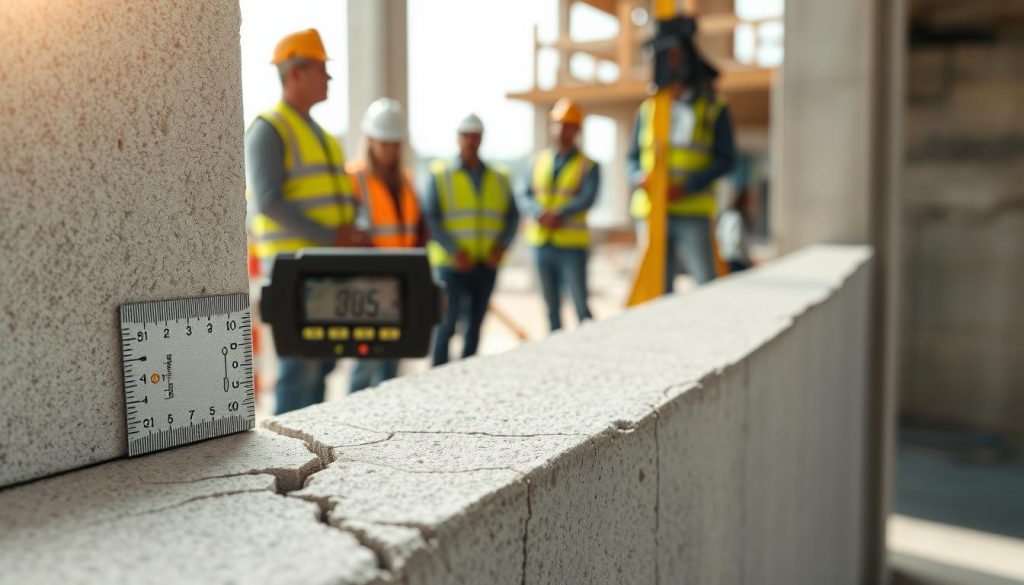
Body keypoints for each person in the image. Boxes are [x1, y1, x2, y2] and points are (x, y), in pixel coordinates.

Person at [245, 29, 367, 415]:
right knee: (298, 370)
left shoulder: (325, 138)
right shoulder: (270, 128)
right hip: (293, 273)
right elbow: (268, 201)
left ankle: (310, 448)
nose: (328, 78)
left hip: (326, 270)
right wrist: (332, 236)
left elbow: (344, 197)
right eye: (321, 69)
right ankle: (292, 455)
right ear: (295, 73)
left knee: (321, 367)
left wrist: (351, 230)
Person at [628, 16, 736, 292]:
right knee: (657, 288)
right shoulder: (649, 108)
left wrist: (687, 187)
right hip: (653, 210)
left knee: (705, 284)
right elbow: (632, 158)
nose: (670, 61)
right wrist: (638, 176)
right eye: (666, 56)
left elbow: (726, 158)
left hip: (692, 210)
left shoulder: (712, 107)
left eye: (675, 55)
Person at [425, 114, 519, 365]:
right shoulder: (440, 174)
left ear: (481, 139)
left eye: (475, 136)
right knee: (446, 323)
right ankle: (438, 374)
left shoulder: (499, 177)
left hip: (485, 265)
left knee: (475, 325)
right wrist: (454, 250)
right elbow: (431, 218)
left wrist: (501, 247)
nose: (470, 141)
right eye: (466, 135)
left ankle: (467, 372)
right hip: (451, 265)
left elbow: (512, 216)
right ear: (458, 138)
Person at [347, 98, 425, 392]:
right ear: (370, 141)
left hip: (399, 281)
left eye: (395, 144)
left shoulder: (406, 180)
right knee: (365, 363)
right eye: (385, 143)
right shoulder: (354, 179)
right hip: (367, 284)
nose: (391, 151)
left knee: (391, 363)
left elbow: (414, 231)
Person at [517, 98, 600, 332]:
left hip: (572, 245)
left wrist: (559, 214)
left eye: (569, 125)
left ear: (577, 130)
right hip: (542, 244)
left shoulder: (589, 165)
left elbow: (587, 198)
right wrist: (539, 213)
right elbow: (523, 194)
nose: (563, 130)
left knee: (580, 306)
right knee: (551, 308)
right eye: (559, 124)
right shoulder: (536, 161)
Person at [717, 188, 753, 273]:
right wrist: (747, 259)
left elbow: (719, 234)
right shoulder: (738, 217)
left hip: (725, 255)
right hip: (736, 258)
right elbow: (737, 240)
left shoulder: (726, 215)